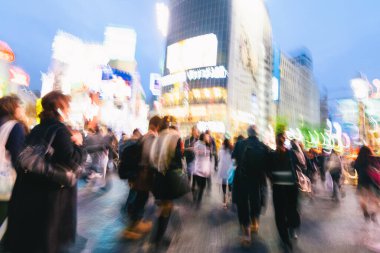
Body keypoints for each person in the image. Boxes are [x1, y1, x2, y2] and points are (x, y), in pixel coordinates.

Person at [4, 91, 84, 253]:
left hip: (27, 195)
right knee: (45, 244)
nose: (68, 111)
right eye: (67, 107)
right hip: (50, 201)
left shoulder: (37, 129)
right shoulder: (61, 131)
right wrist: (79, 144)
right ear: (60, 109)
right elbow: (73, 164)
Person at [149, 116, 185, 249]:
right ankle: (157, 238)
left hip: (158, 177)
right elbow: (177, 159)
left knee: (163, 207)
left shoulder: (157, 138)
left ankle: (156, 237)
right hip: (168, 178)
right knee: (166, 208)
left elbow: (152, 159)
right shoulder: (175, 138)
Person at [122, 117, 161, 240]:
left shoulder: (143, 137)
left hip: (139, 173)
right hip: (144, 174)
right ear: (157, 126)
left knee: (140, 198)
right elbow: (150, 157)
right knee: (141, 198)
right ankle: (134, 226)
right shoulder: (151, 138)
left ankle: (134, 224)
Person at [232, 126, 270, 246]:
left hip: (242, 178)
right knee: (255, 200)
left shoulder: (239, 144)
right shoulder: (263, 146)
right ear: (257, 134)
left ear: (248, 133)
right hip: (257, 179)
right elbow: (267, 164)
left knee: (243, 203)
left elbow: (234, 159)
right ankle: (255, 222)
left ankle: (247, 232)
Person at [268, 132, 300, 252]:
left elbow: (268, 171)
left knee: (280, 214)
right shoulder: (291, 153)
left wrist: (272, 180)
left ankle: (285, 239)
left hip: (278, 188)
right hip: (291, 186)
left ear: (276, 142)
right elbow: (300, 164)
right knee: (291, 209)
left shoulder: (271, 155)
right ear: (285, 140)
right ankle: (291, 227)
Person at [0, 96, 26, 229]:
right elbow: (18, 157)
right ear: (13, 108)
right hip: (4, 183)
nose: (22, 109)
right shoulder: (15, 127)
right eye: (20, 105)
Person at [354, 146, 379, 222]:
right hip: (371, 182)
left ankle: (365, 212)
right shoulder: (371, 159)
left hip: (361, 182)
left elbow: (355, 167)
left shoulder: (358, 160)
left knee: (363, 199)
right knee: (376, 200)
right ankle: (373, 213)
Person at [192, 133, 212, 208]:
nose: (208, 138)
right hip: (199, 169)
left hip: (204, 170)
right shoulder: (199, 144)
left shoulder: (206, 145)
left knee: (201, 186)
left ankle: (197, 200)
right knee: (201, 186)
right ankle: (197, 201)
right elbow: (197, 152)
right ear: (203, 137)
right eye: (207, 137)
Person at [217, 138, 233, 208]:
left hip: (223, 169)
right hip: (229, 169)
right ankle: (230, 195)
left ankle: (224, 199)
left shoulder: (221, 150)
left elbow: (219, 158)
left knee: (224, 184)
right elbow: (233, 160)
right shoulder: (231, 150)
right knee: (229, 183)